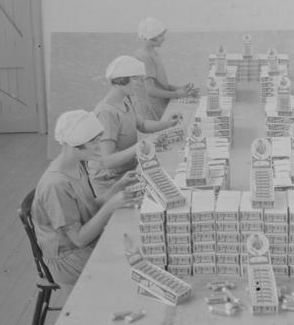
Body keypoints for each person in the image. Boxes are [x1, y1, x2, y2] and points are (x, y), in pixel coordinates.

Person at [32, 110, 140, 291]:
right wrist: (111, 206)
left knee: (138, 249)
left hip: (84, 243)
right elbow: (79, 239)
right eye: (93, 143)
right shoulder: (56, 185)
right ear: (75, 145)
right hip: (68, 258)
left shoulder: (76, 165)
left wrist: (117, 187)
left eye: (99, 140)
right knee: (132, 269)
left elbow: (89, 208)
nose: (99, 148)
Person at [88, 55, 181, 196]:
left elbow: (142, 124)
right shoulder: (106, 113)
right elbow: (108, 161)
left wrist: (168, 124)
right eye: (136, 78)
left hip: (127, 169)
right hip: (111, 180)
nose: (140, 83)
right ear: (121, 80)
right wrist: (139, 147)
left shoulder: (125, 100)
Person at [133, 17, 197, 119]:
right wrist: (176, 94)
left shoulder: (153, 53)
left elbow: (159, 84)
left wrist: (179, 88)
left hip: (161, 103)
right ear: (151, 36)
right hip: (154, 108)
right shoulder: (144, 57)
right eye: (160, 35)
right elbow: (150, 90)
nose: (164, 38)